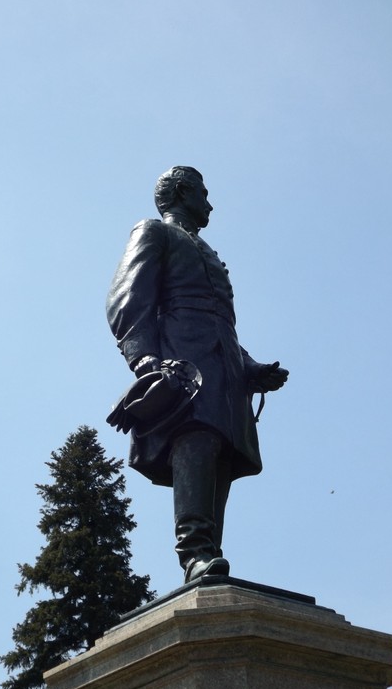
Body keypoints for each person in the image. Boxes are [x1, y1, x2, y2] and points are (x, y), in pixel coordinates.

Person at [106, 166, 288, 583]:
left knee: (222, 453)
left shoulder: (205, 249)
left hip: (224, 365)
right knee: (196, 442)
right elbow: (126, 297)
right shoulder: (153, 231)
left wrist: (250, 367)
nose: (210, 203)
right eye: (203, 193)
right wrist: (144, 359)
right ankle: (194, 553)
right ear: (183, 191)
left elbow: (221, 320)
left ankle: (210, 554)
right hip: (181, 359)